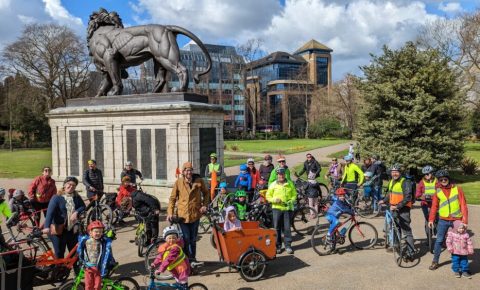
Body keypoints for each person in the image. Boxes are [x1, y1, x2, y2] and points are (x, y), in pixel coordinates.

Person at [167, 162, 209, 263]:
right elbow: (172, 199)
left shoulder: (199, 181)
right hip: (183, 216)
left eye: (190, 170)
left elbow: (206, 193)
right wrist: (170, 212)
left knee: (193, 240)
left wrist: (204, 205)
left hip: (195, 215)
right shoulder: (179, 182)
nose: (189, 172)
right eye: (186, 170)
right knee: (186, 239)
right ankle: (186, 261)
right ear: (183, 172)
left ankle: (193, 260)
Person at [428, 169, 468, 271]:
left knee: (459, 241)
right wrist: (431, 219)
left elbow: (463, 205)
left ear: (448, 179)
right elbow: (434, 206)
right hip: (443, 220)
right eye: (441, 180)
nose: (443, 181)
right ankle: (435, 261)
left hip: (456, 219)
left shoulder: (457, 189)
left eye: (445, 179)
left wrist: (465, 221)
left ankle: (459, 264)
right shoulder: (438, 191)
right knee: (439, 240)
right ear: (439, 181)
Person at [43, 176, 86, 259]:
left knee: (74, 253)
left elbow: (83, 206)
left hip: (72, 230)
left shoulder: (76, 197)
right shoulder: (56, 198)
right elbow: (49, 213)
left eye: (73, 185)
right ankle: (60, 270)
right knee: (59, 253)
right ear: (64, 185)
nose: (71, 187)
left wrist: (76, 212)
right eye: (69, 184)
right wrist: (46, 227)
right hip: (58, 231)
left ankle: (75, 270)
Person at [378, 164, 415, 257]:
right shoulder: (392, 181)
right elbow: (390, 194)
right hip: (393, 209)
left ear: (400, 172)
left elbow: (408, 197)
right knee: (395, 229)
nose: (394, 174)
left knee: (406, 232)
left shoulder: (405, 182)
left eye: (396, 172)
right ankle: (397, 247)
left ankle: (411, 253)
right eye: (393, 172)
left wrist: (397, 206)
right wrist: (384, 200)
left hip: (403, 210)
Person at [266, 167, 297, 255]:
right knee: (277, 228)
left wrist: (291, 200)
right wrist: (274, 199)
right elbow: (268, 196)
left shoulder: (290, 183)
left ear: (284, 175)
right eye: (279, 175)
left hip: (287, 209)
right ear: (277, 175)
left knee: (287, 228)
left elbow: (294, 194)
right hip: (277, 209)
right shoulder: (273, 185)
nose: (281, 176)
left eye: (282, 174)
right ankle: (278, 246)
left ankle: (288, 246)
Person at [77, 221, 116, 289]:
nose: (98, 233)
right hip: (88, 268)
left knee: (97, 286)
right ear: (90, 232)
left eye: (100, 232)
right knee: (88, 286)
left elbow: (108, 250)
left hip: (98, 268)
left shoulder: (103, 242)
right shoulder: (86, 241)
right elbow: (80, 247)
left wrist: (111, 235)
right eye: (96, 231)